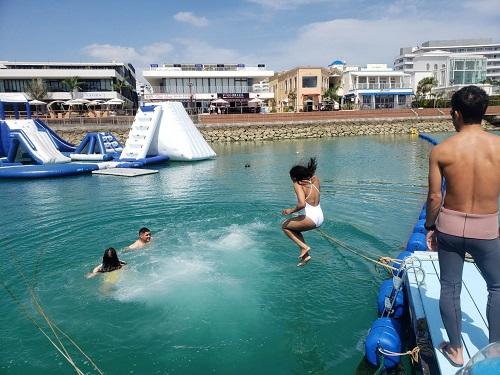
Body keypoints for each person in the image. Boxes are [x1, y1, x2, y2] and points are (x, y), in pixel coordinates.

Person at [425, 85, 500, 368]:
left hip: (451, 228)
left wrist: (430, 228)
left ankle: (455, 349)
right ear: (484, 112)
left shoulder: (442, 150)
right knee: (497, 286)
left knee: (450, 287)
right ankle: (494, 351)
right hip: (487, 229)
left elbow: (434, 196)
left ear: (456, 113)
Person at [282, 157, 324, 266]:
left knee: (285, 227)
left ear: (295, 178)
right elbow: (312, 177)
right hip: (320, 218)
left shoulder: (297, 185)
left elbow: (302, 204)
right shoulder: (316, 180)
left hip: (311, 219)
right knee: (295, 229)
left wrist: (290, 211)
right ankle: (305, 255)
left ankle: (304, 247)